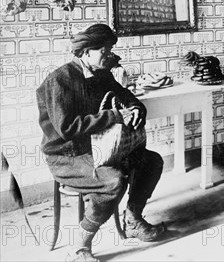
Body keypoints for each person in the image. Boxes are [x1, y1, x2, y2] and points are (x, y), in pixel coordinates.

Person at [37, 24, 166, 262]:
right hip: (68, 156)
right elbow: (67, 128)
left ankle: (133, 220)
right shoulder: (59, 80)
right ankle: (79, 248)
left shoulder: (102, 74)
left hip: (99, 149)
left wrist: (136, 108)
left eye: (110, 50)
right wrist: (115, 116)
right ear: (86, 52)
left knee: (151, 161)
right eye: (104, 50)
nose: (109, 55)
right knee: (112, 180)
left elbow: (126, 95)